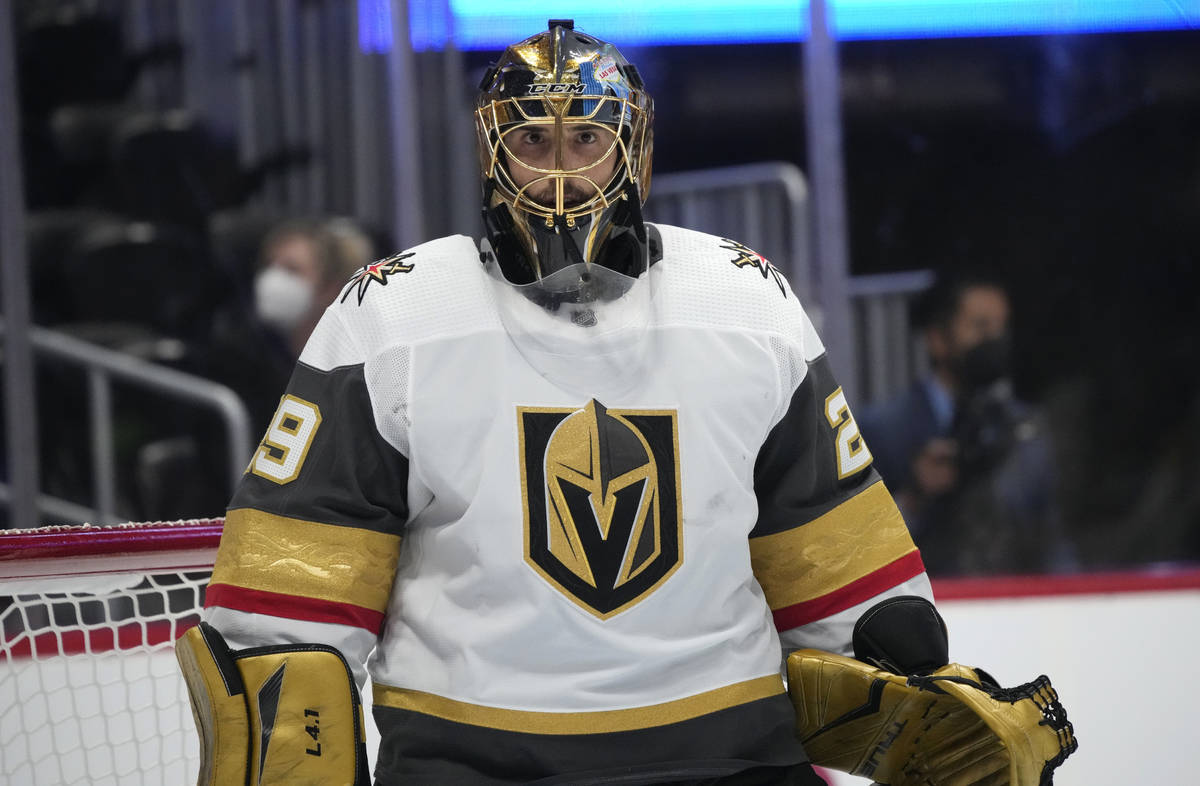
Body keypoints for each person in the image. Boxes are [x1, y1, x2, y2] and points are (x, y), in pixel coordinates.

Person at [176, 22, 1064, 785]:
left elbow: (845, 578)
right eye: (531, 140)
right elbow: (283, 616)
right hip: (474, 768)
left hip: (737, 760)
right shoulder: (389, 316)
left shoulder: (748, 302)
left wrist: (915, 693)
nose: (559, 171)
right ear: (490, 149)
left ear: (633, 148)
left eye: (586, 138)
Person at [857, 273, 1076, 575]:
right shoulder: (883, 430)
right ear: (938, 339)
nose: (995, 340)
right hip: (926, 612)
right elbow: (858, 553)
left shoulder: (1028, 430)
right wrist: (914, 497)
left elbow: (1052, 542)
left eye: (1002, 327)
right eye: (981, 326)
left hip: (1017, 611)